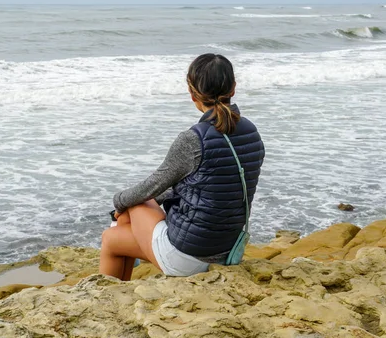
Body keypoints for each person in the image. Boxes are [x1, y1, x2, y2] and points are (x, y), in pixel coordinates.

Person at [99, 54, 265, 280]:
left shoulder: (193, 140)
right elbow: (211, 189)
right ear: (233, 88)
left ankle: (109, 297)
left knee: (120, 224)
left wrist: (118, 203)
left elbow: (150, 187)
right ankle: (125, 263)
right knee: (123, 226)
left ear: (192, 93)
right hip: (228, 249)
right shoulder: (251, 133)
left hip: (190, 257)